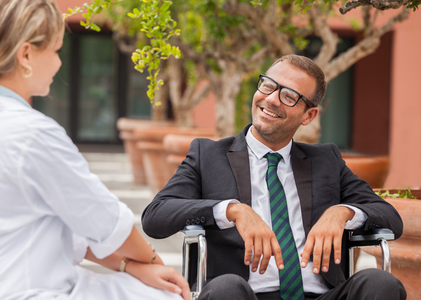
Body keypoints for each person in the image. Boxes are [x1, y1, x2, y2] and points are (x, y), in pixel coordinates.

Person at [0, 0, 190, 299]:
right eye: (56, 49)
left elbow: (68, 230)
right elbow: (107, 223)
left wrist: (129, 266)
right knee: (168, 294)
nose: (59, 62)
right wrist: (155, 264)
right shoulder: (32, 134)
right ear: (26, 55)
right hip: (25, 290)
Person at [142, 54, 406, 300]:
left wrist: (343, 213)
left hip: (320, 294)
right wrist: (232, 211)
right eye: (268, 85)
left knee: (381, 283)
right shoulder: (208, 156)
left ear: (309, 115)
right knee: (226, 289)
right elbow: (155, 216)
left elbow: (390, 217)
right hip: (244, 294)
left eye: (289, 96)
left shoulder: (326, 161)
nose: (271, 99)